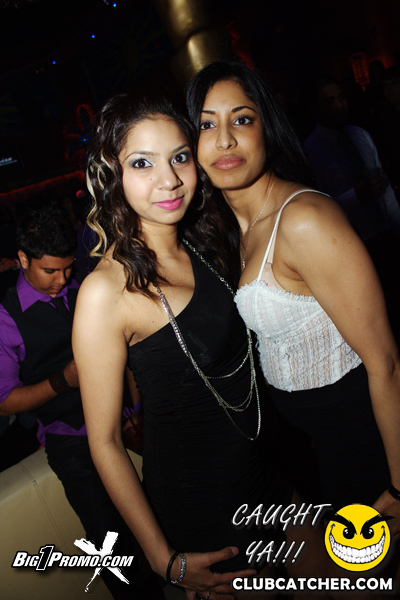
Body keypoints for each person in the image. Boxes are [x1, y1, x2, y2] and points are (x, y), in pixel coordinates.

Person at [72, 89, 332, 600]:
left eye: (180, 157)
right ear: (112, 175)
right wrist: (163, 559)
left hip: (264, 473)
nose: (169, 179)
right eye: (142, 163)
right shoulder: (106, 292)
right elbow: (104, 442)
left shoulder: (201, 241)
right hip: (204, 505)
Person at [186, 60, 400, 529]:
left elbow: (386, 362)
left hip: (360, 441)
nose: (225, 140)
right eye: (206, 124)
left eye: (242, 119)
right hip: (307, 447)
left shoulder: (303, 219)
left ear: (267, 127)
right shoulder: (231, 229)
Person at [0, 205, 161, 600]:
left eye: (68, 268)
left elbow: (124, 351)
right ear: (23, 259)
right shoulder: (6, 318)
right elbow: (5, 402)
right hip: (70, 436)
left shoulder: (84, 287)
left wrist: (135, 408)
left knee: (169, 506)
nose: (62, 280)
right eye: (50, 271)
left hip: (125, 416)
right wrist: (63, 380)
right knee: (110, 545)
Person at [303, 76, 400, 245]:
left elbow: (384, 186)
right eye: (329, 102)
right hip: (353, 242)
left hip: (386, 232)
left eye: (341, 97)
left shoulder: (360, 135)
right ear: (315, 109)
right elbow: (317, 206)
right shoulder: (312, 151)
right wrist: (355, 196)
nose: (339, 105)